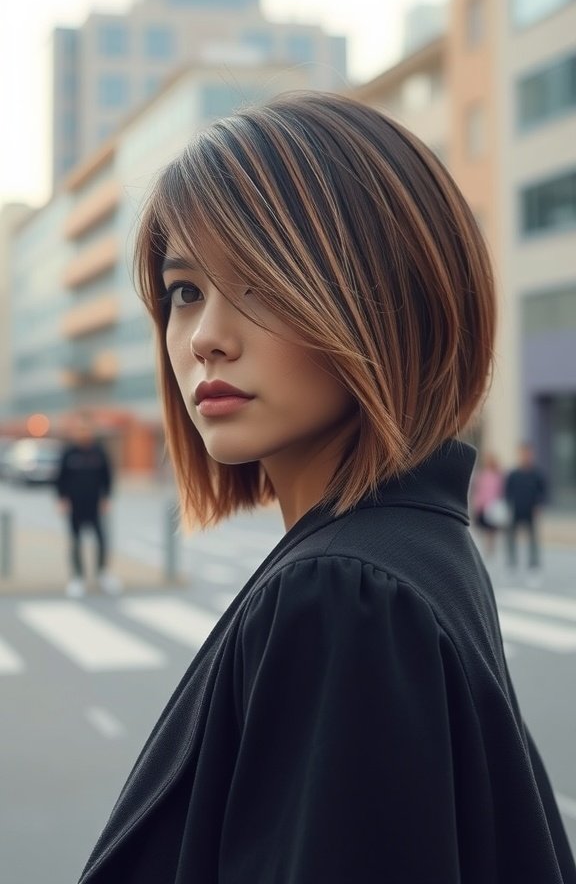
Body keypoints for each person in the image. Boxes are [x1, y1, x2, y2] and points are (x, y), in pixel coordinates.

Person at [78, 94, 575, 883]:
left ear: (390, 299)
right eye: (185, 291)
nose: (204, 336)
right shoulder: (410, 545)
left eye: (259, 284)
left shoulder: (345, 591)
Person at [55, 412, 120, 597]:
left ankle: (102, 574)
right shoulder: (68, 452)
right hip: (75, 505)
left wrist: (107, 498)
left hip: (95, 505)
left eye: (86, 429)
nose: (83, 433)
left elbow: (107, 477)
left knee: (101, 540)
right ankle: (78, 577)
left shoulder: (99, 452)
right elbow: (60, 478)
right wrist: (61, 499)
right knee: (76, 541)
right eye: (80, 429)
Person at [505, 441, 547, 585]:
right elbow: (507, 493)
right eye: (523, 453)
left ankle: (533, 569)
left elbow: (543, 493)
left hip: (531, 512)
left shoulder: (537, 474)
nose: (525, 456)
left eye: (528, 454)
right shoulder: (513, 474)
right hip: (515, 511)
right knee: (510, 539)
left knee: (533, 541)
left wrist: (539, 506)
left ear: (531, 455)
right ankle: (511, 566)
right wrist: (507, 508)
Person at [471, 451, 506, 561]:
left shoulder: (498, 476)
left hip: (492, 506)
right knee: (482, 527)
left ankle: (490, 548)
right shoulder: (481, 474)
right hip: (482, 505)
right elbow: (477, 489)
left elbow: (501, 491)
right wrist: (476, 503)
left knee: (491, 529)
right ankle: (485, 547)